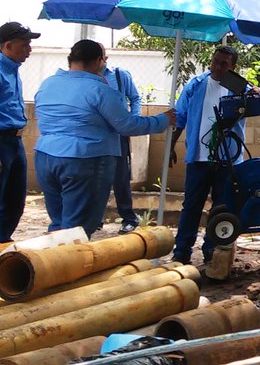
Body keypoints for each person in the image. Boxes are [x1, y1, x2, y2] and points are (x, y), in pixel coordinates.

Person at [33, 40, 175, 237]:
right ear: (99, 61)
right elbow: (127, 125)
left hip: (45, 157)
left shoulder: (48, 84)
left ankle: (51, 263)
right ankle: (70, 265)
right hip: (84, 160)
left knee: (59, 222)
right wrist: (163, 119)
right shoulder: (101, 90)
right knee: (77, 229)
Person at [170, 45, 260, 265]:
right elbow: (180, 116)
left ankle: (212, 251)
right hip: (198, 157)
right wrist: (171, 145)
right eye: (215, 61)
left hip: (228, 159)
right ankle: (182, 252)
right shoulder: (196, 85)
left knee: (222, 206)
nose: (217, 67)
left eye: (224, 64)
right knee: (191, 206)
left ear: (233, 66)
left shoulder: (240, 88)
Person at [0, 22, 39, 243]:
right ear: (7, 45)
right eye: (25, 45)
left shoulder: (12, 69)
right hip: (1, 141)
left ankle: (3, 241)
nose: (29, 49)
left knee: (14, 200)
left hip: (14, 141)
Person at [103, 61, 142, 233]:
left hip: (118, 133)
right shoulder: (87, 77)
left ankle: (128, 218)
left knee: (121, 176)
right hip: (97, 133)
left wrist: (132, 121)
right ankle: (95, 218)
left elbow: (135, 98)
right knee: (97, 177)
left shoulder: (119, 75)